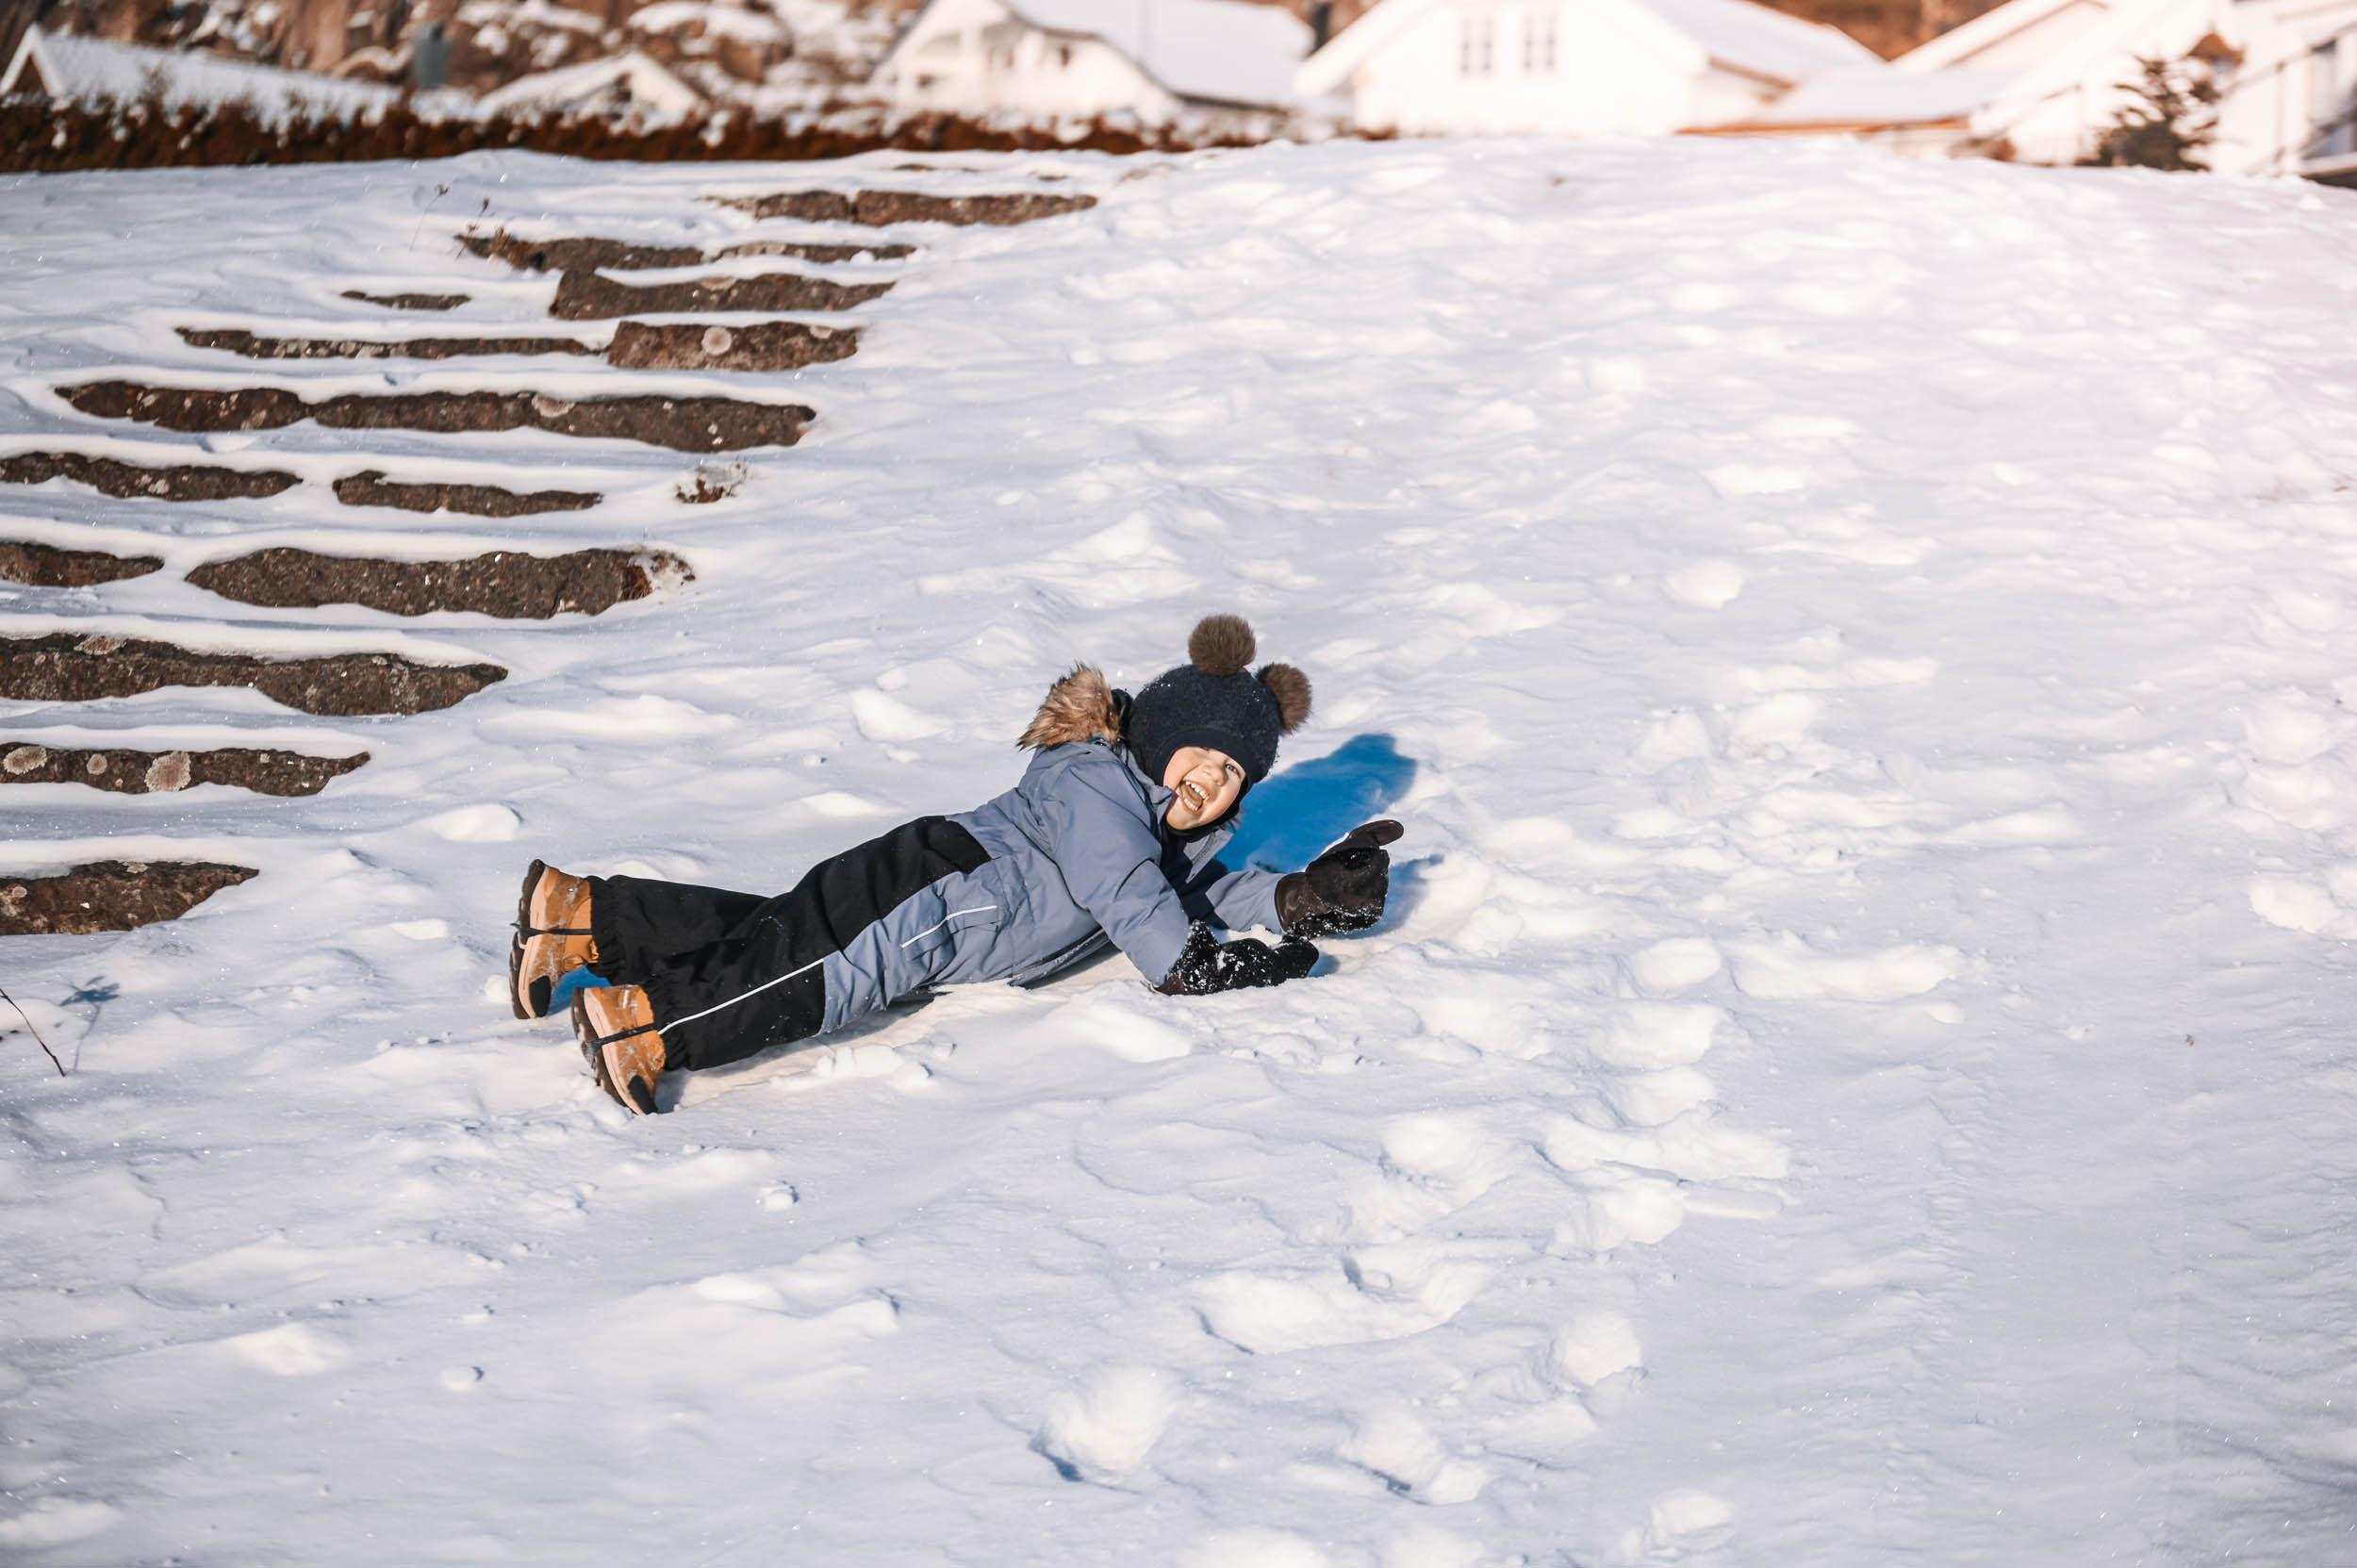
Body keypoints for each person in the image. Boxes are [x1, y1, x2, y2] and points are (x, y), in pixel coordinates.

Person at [507, 614, 1404, 1114]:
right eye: (1203, 755)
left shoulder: (1152, 826)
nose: (1210, 780)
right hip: (933, 898)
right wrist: (1205, 968)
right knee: (807, 978)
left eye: (1233, 774)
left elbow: (1182, 891)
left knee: (775, 935)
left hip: (935, 891)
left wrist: (1302, 895)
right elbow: (1137, 903)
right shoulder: (1097, 787)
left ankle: (584, 914)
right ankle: (647, 1023)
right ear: (1164, 736)